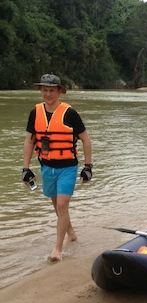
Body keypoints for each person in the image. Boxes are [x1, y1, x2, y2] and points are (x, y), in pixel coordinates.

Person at [22, 73, 93, 262]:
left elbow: (85, 138)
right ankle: (71, 233)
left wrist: (88, 166)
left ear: (59, 91)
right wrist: (25, 167)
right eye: (44, 90)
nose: (47, 94)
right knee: (57, 205)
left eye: (51, 90)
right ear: (41, 91)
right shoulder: (35, 112)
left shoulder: (70, 113)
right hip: (47, 167)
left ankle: (57, 249)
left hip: (67, 167)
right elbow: (29, 141)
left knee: (62, 205)